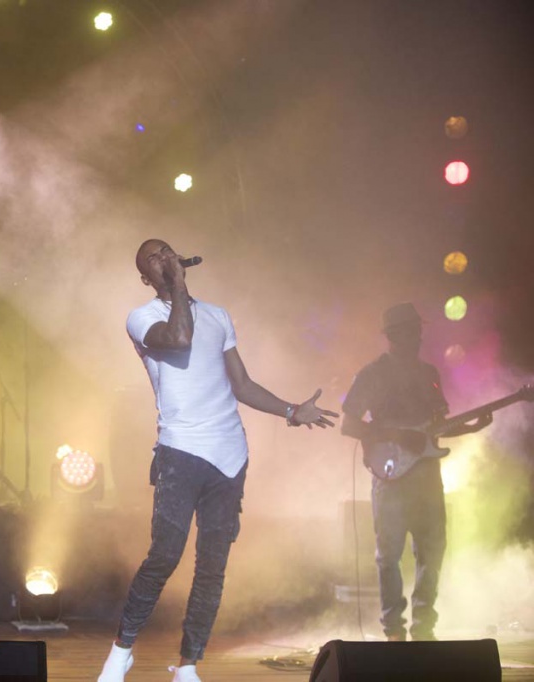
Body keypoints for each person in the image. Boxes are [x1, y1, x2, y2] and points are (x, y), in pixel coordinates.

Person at [98, 239, 339, 682]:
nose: (163, 257)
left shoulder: (218, 316)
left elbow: (242, 384)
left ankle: (189, 664)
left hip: (229, 454)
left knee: (212, 567)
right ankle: (122, 650)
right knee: (164, 556)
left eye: (167, 250)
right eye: (153, 257)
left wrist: (291, 411)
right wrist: (179, 285)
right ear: (145, 278)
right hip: (180, 451)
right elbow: (179, 338)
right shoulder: (142, 318)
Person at [341, 302, 490, 642]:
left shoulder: (429, 374)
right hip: (391, 476)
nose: (419, 336)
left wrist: (470, 427)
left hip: (427, 475)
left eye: (419, 330)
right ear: (394, 334)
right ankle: (394, 629)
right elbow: (349, 425)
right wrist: (395, 435)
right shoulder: (372, 374)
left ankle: (424, 626)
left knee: (432, 551)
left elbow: (434, 429)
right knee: (388, 556)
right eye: (412, 330)